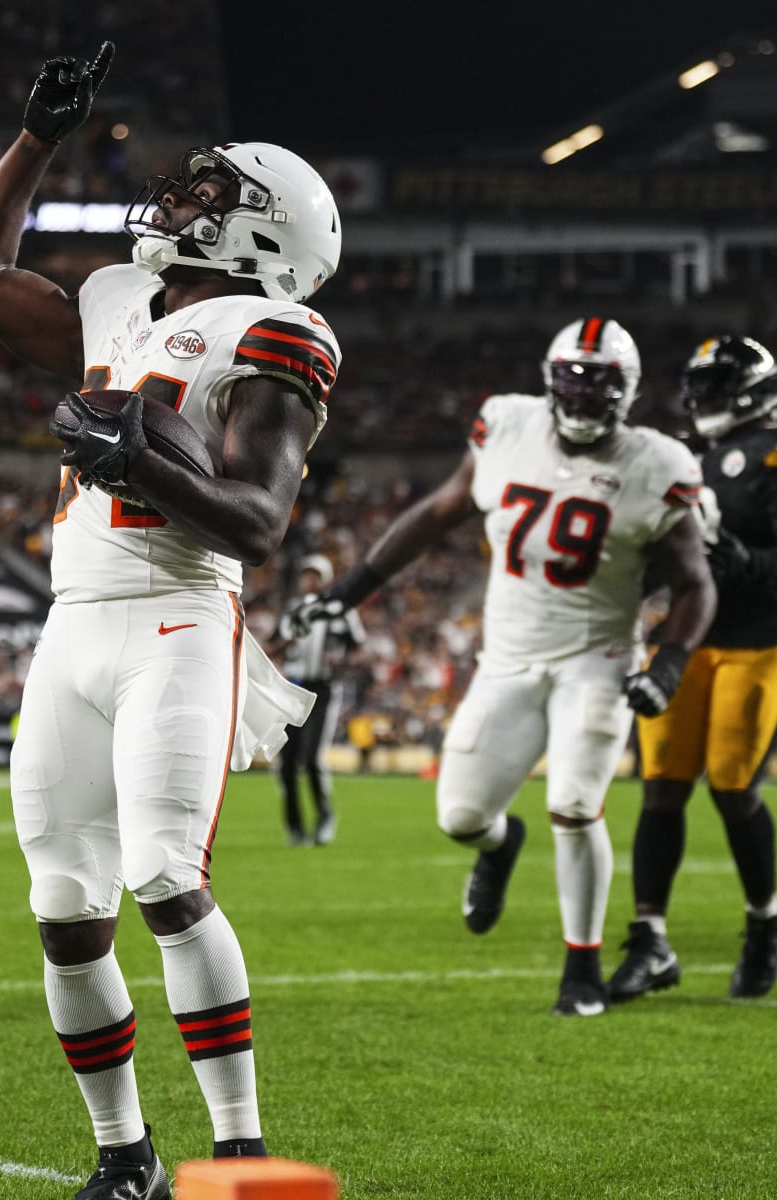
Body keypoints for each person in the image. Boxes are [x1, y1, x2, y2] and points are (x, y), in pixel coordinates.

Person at [0, 43, 343, 1199]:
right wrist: (34, 143)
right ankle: (127, 1159)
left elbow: (258, 524)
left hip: (179, 611)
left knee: (168, 876)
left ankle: (242, 1156)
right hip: (74, 622)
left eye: (213, 195)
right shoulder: (119, 299)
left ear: (264, 235)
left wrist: (140, 463)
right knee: (64, 905)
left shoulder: (279, 332)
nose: (179, 198)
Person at [298, 317, 715, 1017]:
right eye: (571, 379)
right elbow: (436, 514)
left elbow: (696, 582)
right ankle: (499, 845)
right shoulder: (506, 425)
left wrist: (668, 664)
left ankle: (581, 966)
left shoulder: (658, 463)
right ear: (549, 380)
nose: (582, 395)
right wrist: (345, 592)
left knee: (577, 805)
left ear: (628, 391)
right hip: (509, 660)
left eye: (599, 382)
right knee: (461, 816)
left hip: (598, 657)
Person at [611, 335, 777, 1003]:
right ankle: (649, 938)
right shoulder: (691, 456)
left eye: (713, 388)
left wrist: (741, 559)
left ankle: (765, 922)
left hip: (764, 637)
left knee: (733, 785)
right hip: (689, 639)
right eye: (698, 387)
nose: (699, 401)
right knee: (662, 784)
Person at [273, 554, 364, 846]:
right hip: (292, 689)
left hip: (322, 689)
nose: (309, 580)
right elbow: (272, 646)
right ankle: (294, 826)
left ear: (325, 580)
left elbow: (358, 648)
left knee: (312, 758)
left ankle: (325, 816)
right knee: (286, 762)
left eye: (315, 575)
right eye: (306, 575)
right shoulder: (291, 610)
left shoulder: (339, 611)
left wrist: (340, 660)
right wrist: (284, 644)